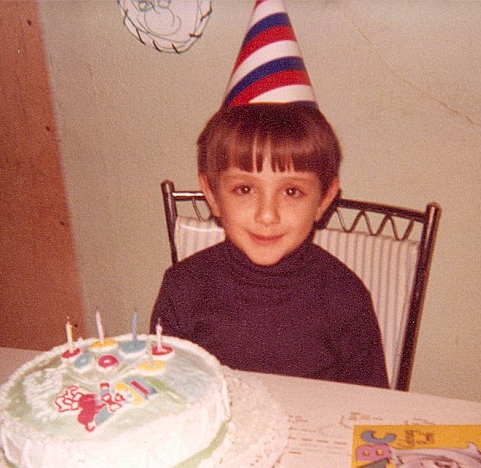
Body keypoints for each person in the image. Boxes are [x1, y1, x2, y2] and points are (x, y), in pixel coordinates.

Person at [150, 0, 388, 387]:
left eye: (291, 191)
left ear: (325, 199)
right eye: (244, 188)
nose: (267, 215)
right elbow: (168, 398)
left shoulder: (345, 297)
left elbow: (371, 408)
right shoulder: (183, 287)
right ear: (211, 194)